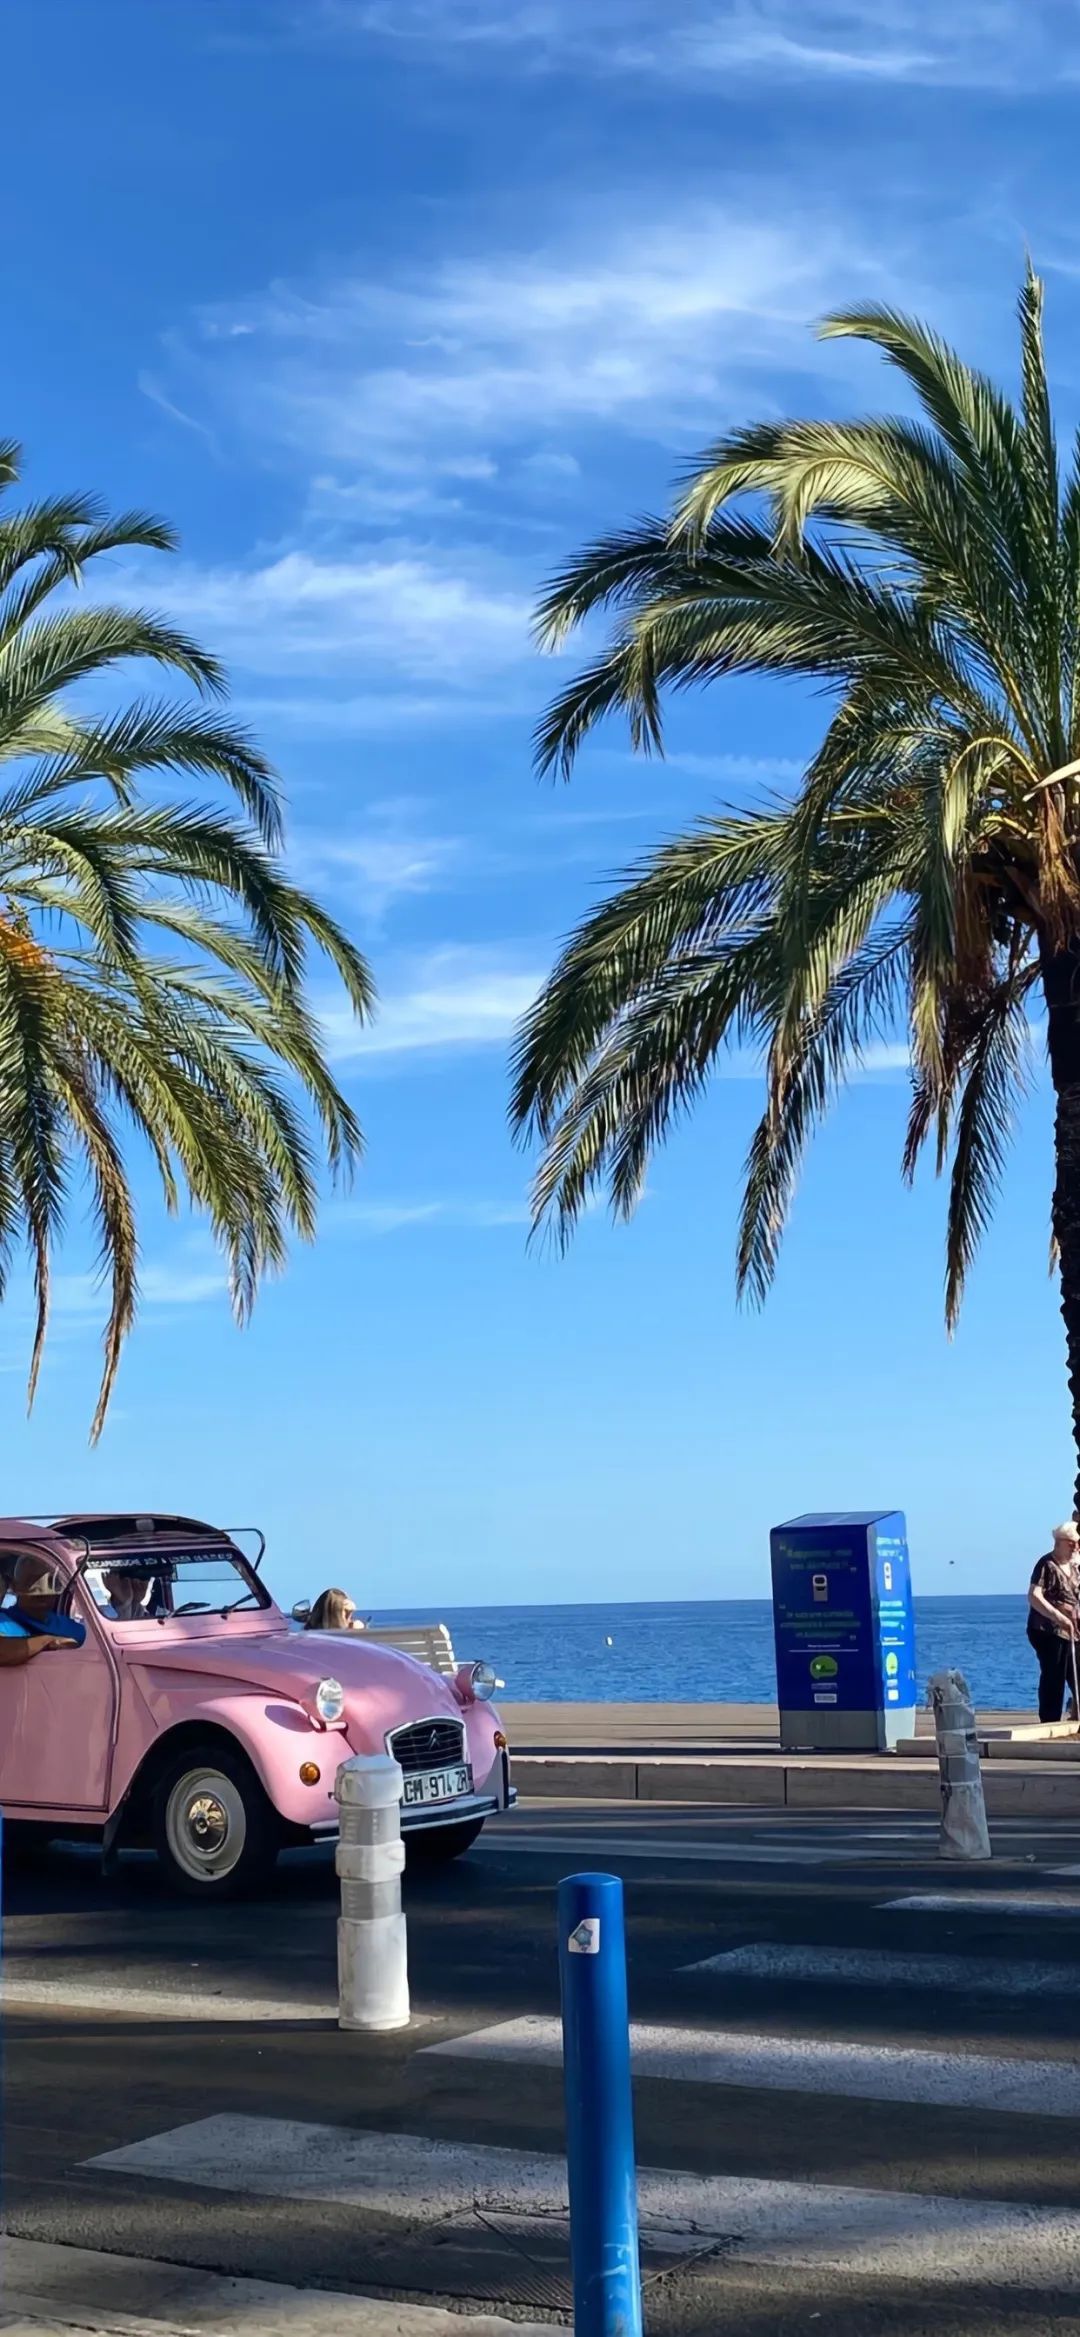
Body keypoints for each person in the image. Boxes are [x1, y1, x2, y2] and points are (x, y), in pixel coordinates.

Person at [1027, 1522, 1080, 1722]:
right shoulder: (1046, 1564)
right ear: (1059, 1543)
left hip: (1072, 1629)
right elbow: (1034, 1596)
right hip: (1047, 1629)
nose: (1075, 1547)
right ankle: (1049, 1720)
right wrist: (1059, 1617)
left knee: (1076, 1672)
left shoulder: (1074, 1566)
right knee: (1053, 1674)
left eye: (1077, 1543)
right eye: (1071, 1543)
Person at [0, 1554, 87, 1668]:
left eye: (50, 1582)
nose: (42, 1591)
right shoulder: (3, 1622)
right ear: (15, 1586)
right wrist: (48, 1641)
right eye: (31, 1583)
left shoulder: (72, 1627)